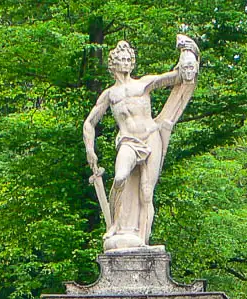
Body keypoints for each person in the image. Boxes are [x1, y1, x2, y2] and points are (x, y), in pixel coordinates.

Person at [83, 36, 199, 251]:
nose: (126, 63)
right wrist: (90, 150)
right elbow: (89, 123)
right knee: (120, 177)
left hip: (151, 136)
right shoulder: (110, 95)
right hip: (128, 141)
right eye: (122, 59)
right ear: (113, 64)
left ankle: (142, 240)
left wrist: (189, 54)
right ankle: (116, 224)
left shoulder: (143, 84)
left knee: (146, 192)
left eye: (129, 59)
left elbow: (178, 77)